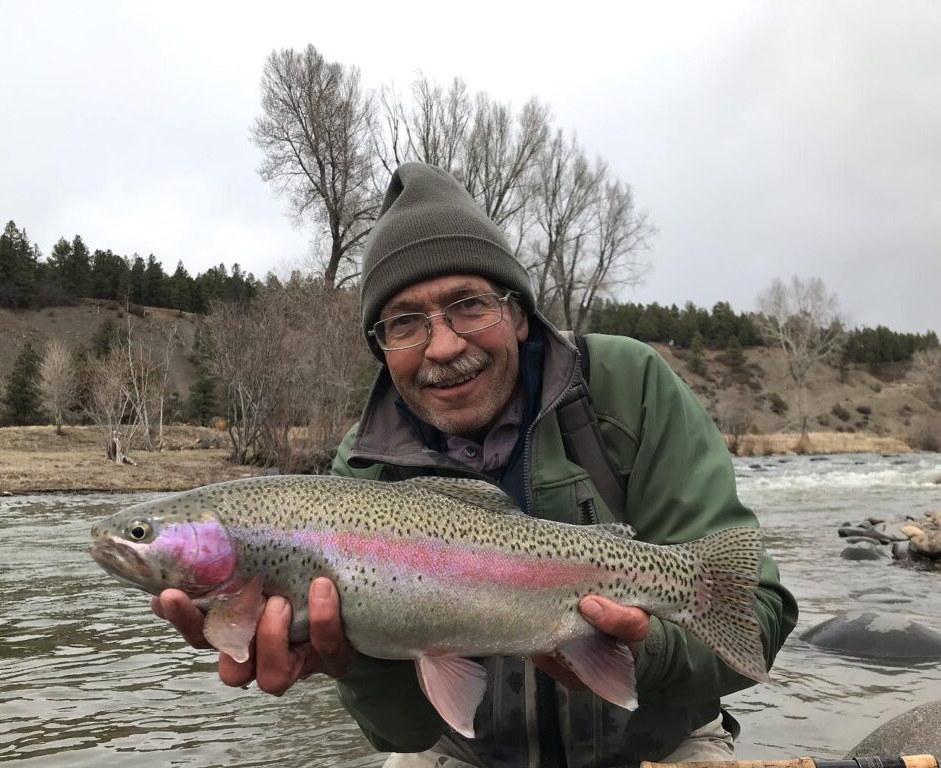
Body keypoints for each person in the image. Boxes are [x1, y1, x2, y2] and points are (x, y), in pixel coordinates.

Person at [153, 162, 798, 767]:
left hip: (660, 744)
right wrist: (352, 661)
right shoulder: (362, 464)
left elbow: (759, 623)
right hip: (460, 754)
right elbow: (406, 732)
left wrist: (642, 651)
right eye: (404, 322)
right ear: (382, 349)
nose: (443, 344)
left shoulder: (629, 387)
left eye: (468, 304)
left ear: (517, 313)